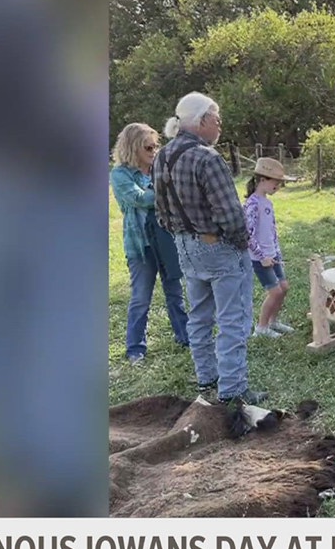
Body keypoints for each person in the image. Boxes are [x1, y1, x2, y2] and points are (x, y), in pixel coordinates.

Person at [154, 92, 267, 406]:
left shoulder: (162, 156)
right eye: (217, 120)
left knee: (200, 315)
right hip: (217, 246)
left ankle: (207, 376)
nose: (220, 126)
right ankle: (232, 388)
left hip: (185, 246)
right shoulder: (207, 157)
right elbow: (230, 215)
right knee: (234, 318)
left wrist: (185, 235)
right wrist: (242, 245)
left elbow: (161, 212)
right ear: (202, 121)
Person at [110, 122, 190, 363]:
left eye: (156, 146)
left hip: (167, 241)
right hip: (141, 246)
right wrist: (167, 192)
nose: (154, 151)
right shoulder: (120, 175)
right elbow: (140, 199)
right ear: (133, 147)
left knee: (175, 293)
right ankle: (135, 348)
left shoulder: (159, 168)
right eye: (148, 146)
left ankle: (185, 337)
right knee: (141, 297)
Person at [243, 157, 296, 338]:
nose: (278, 186)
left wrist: (277, 251)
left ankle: (274, 321)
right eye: (276, 182)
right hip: (260, 258)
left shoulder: (268, 203)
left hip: (273, 255)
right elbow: (247, 234)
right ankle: (261, 327)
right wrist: (262, 256)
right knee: (274, 292)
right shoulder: (252, 204)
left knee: (284, 287)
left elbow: (272, 231)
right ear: (262, 180)